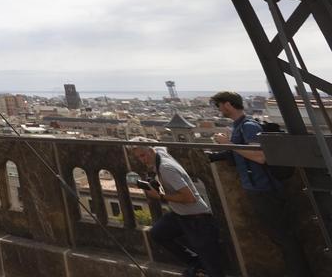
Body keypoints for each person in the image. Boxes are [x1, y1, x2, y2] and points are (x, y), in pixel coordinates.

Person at [209, 90, 311, 276]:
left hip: (264, 188)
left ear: (228, 105)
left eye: (219, 105)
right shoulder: (239, 127)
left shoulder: (248, 126)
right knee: (279, 236)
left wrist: (228, 144)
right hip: (258, 188)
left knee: (284, 237)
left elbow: (260, 156)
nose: (218, 110)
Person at [127, 137, 223, 277]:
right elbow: (158, 142)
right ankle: (196, 262)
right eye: (139, 157)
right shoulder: (159, 152)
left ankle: (200, 265)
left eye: (143, 155)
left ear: (151, 150)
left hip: (197, 219)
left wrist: (159, 196)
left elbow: (190, 198)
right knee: (158, 233)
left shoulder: (166, 169)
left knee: (213, 269)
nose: (143, 160)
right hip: (180, 215)